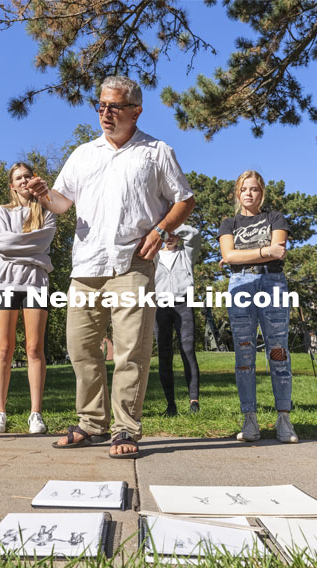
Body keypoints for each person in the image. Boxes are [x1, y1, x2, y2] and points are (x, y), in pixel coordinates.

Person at [29, 75, 195, 458]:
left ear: (136, 111)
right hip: (86, 266)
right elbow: (61, 203)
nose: (105, 113)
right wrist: (44, 195)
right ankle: (91, 424)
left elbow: (184, 200)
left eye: (114, 106)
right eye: (101, 105)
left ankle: (125, 430)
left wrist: (160, 229)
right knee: (81, 349)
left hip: (132, 263)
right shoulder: (83, 154)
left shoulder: (156, 152)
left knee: (130, 351)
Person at [217, 170, 298, 444]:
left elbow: (280, 248)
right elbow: (228, 255)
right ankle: (249, 418)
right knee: (244, 354)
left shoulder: (275, 218)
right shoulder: (229, 223)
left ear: (262, 193)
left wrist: (240, 256)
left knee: (278, 351)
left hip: (272, 282)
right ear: (237, 194)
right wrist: (264, 251)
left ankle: (284, 418)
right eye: (244, 189)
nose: (249, 194)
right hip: (240, 285)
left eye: (254, 189)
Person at [0, 163, 56, 434]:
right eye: (19, 178)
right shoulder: (1, 212)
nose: (24, 180)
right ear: (12, 185)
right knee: (3, 349)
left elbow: (41, 241)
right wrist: (31, 251)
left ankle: (35, 414)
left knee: (34, 349)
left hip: (37, 283)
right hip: (4, 284)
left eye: (28, 176)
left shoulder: (47, 210)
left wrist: (12, 246)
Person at [153, 224, 201, 417]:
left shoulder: (186, 253)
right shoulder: (154, 255)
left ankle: (194, 401)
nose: (170, 238)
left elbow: (194, 233)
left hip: (184, 304)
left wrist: (170, 225)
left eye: (174, 235)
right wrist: (160, 231)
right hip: (160, 306)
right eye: (166, 235)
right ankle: (170, 404)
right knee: (164, 354)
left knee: (187, 350)